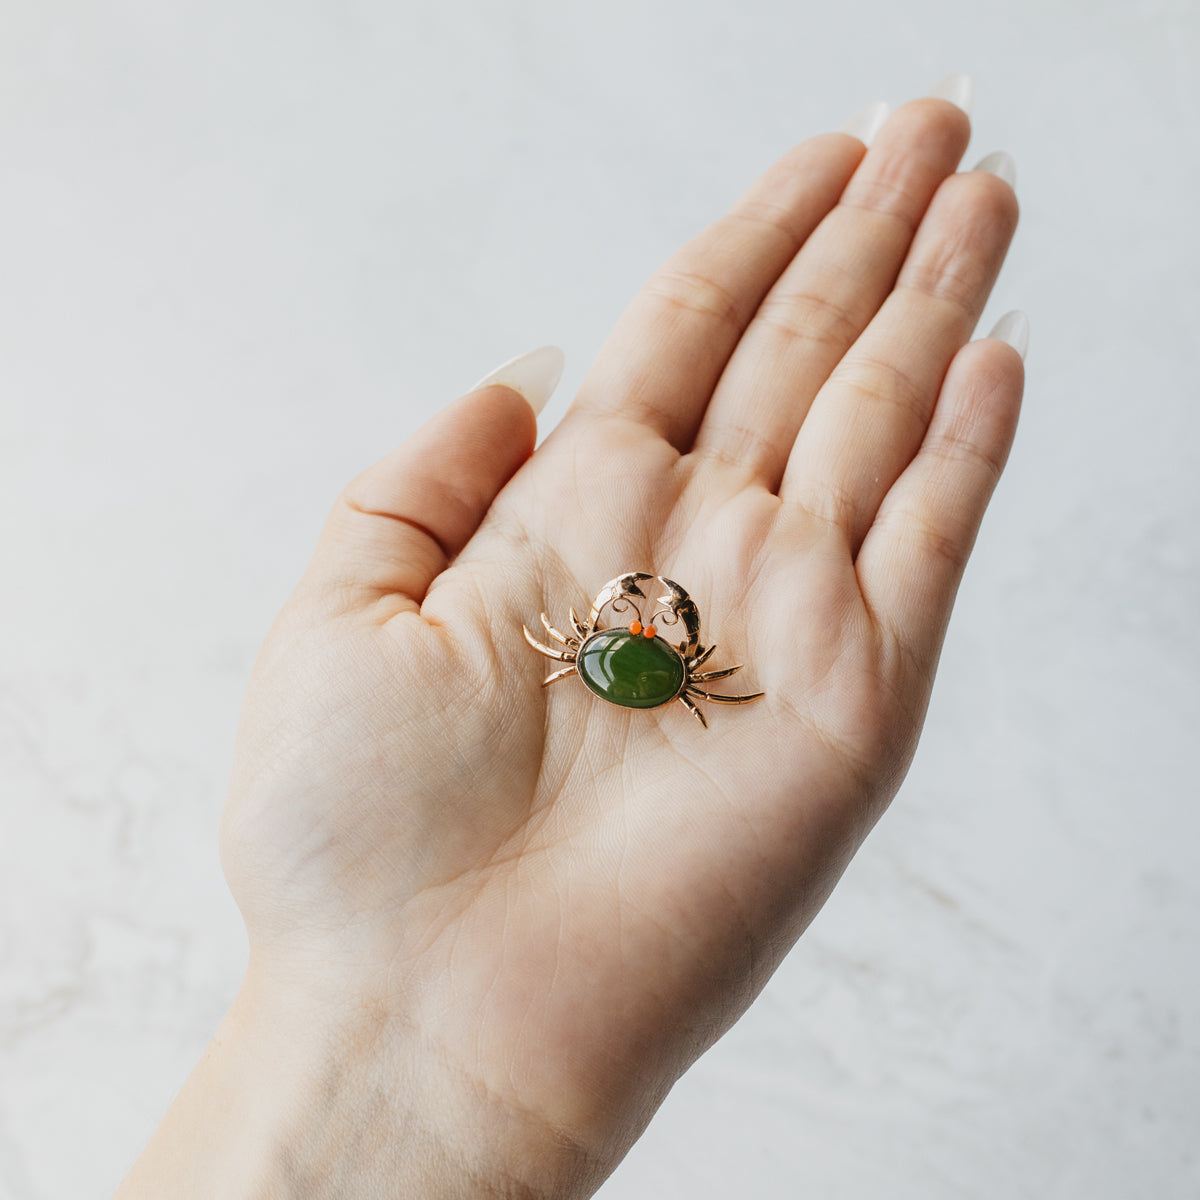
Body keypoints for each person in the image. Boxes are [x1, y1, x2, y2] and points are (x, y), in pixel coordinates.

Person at [113, 73, 1024, 1198]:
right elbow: (659, 664)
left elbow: (642, 658)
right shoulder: (644, 664)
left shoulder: (621, 654)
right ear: (616, 636)